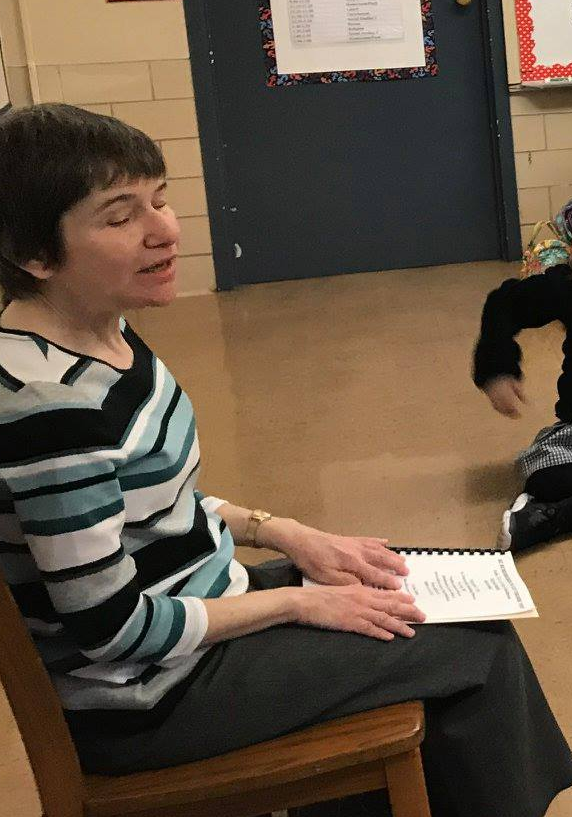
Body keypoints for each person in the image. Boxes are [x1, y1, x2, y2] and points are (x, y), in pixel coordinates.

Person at [0, 104, 570, 817]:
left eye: (161, 198)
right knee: (476, 651)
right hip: (150, 698)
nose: (164, 230)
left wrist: (285, 531)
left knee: (425, 600)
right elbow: (114, 627)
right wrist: (301, 600)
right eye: (120, 217)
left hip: (197, 618)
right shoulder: (50, 410)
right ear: (35, 253)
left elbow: (153, 506)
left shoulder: (102, 334)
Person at [473, 198, 572, 552]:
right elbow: (505, 304)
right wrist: (497, 367)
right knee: (549, 474)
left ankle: (556, 516)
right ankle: (550, 508)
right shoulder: (564, 286)